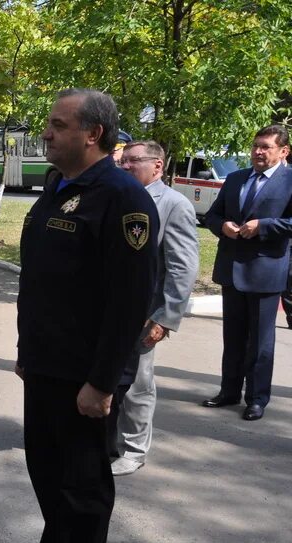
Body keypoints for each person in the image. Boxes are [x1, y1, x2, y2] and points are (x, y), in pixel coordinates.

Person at [1, 89, 157, 543]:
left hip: (86, 373)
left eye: (57, 124)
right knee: (46, 469)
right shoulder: (58, 186)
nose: (46, 132)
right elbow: (42, 282)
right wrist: (27, 349)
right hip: (46, 361)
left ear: (92, 133)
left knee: (82, 482)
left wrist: (105, 381)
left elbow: (128, 303)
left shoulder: (122, 198)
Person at [112, 140, 199, 475]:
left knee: (137, 383)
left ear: (158, 165)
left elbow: (183, 267)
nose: (125, 167)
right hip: (110, 306)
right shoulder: (119, 196)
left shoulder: (173, 204)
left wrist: (165, 317)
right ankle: (107, 442)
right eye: (122, 161)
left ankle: (133, 450)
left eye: (133, 161)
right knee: (108, 377)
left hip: (146, 311)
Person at [201, 125, 292, 421]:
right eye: (255, 145)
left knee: (261, 341)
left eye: (266, 147)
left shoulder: (289, 180)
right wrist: (223, 226)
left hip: (266, 270)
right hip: (232, 269)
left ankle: (256, 398)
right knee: (234, 336)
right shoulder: (236, 177)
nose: (258, 151)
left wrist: (263, 226)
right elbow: (213, 215)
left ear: (283, 151)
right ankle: (229, 391)